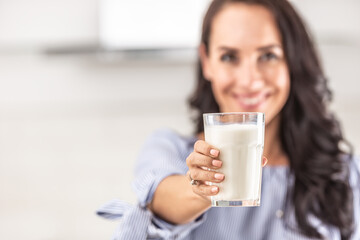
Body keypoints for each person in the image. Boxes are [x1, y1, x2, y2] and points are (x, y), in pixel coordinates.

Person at [97, 0, 360, 239]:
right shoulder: (169, 149)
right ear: (207, 61)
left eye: (268, 55)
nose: (249, 80)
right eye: (229, 57)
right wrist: (201, 187)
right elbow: (163, 198)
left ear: (291, 60)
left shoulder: (344, 174)